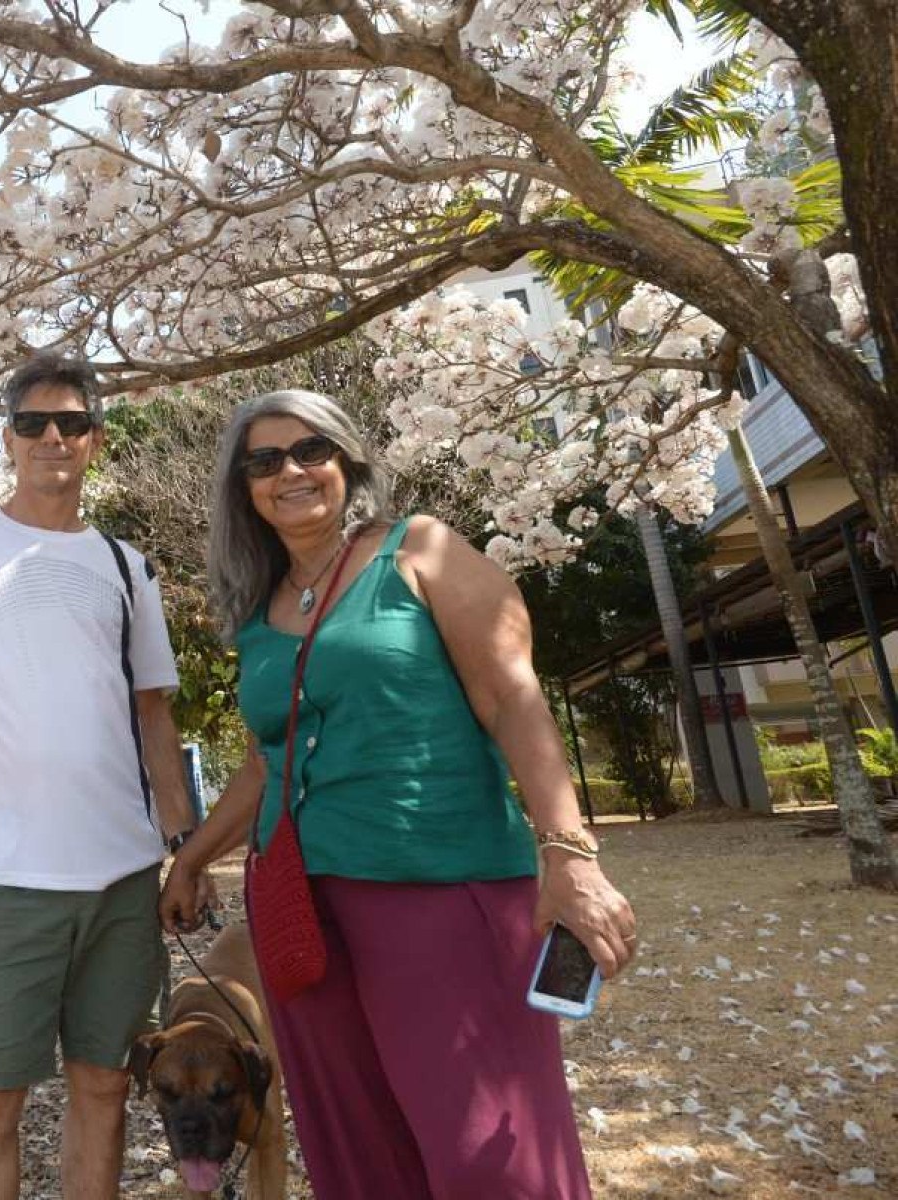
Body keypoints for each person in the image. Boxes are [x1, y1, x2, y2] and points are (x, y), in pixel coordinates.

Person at [159, 389, 637, 1200]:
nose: (293, 471)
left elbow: (512, 695)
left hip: (437, 884)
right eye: (265, 461)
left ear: (350, 462)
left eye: (313, 450)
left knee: (490, 1158)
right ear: (244, 489)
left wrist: (569, 852)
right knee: (359, 1155)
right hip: (301, 913)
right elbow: (264, 764)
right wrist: (192, 861)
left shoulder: (420, 552)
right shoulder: (259, 612)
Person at [0, 353, 202, 1200]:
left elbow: (153, 716)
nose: (52, 438)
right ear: (8, 440)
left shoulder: (129, 567)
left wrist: (186, 851)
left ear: (95, 440)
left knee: (104, 1088)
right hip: (1, 881)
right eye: (33, 424)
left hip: (124, 882)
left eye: (70, 423)